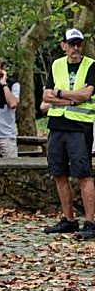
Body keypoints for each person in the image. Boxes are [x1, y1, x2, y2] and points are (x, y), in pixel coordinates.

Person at [41, 28, 95, 238]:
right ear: (63, 46)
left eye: (79, 44)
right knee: (59, 173)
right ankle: (69, 219)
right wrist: (70, 100)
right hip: (56, 125)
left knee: (84, 174)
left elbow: (86, 94)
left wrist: (60, 94)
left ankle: (90, 222)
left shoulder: (91, 65)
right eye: (71, 44)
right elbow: (46, 96)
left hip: (80, 127)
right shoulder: (56, 65)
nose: (76, 48)